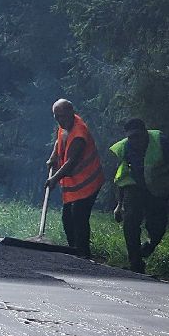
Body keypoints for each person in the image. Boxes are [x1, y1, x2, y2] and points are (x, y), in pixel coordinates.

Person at [109, 118, 169, 274]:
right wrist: (119, 204)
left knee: (157, 226)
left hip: (159, 189)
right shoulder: (125, 148)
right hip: (135, 188)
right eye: (131, 137)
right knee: (130, 222)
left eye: (137, 136)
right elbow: (121, 176)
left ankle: (149, 245)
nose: (134, 141)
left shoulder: (161, 141)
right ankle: (135, 263)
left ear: (145, 133)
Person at [46, 98, 104, 259]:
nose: (60, 120)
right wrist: (53, 157)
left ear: (71, 113)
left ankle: (83, 254)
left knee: (79, 217)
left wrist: (54, 179)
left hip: (89, 182)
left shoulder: (79, 134)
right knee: (67, 218)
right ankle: (74, 251)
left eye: (62, 116)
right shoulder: (65, 124)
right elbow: (60, 139)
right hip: (75, 184)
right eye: (56, 117)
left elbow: (71, 163)